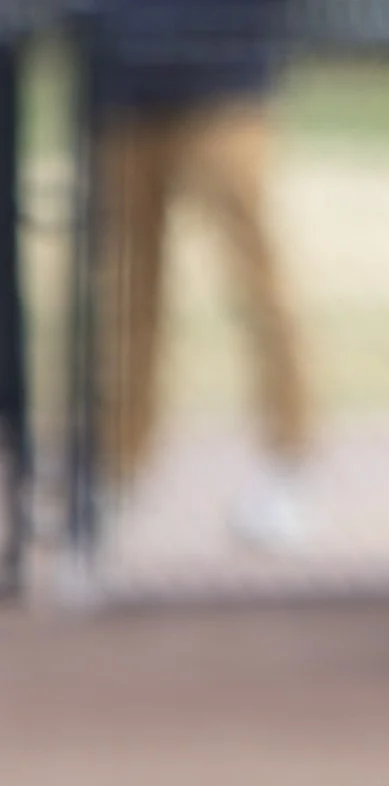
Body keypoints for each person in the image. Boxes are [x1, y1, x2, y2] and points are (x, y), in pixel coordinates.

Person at [89, 0, 313, 553]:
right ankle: (120, 468)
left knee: (256, 280)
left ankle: (287, 462)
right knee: (126, 288)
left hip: (227, 76)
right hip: (126, 81)